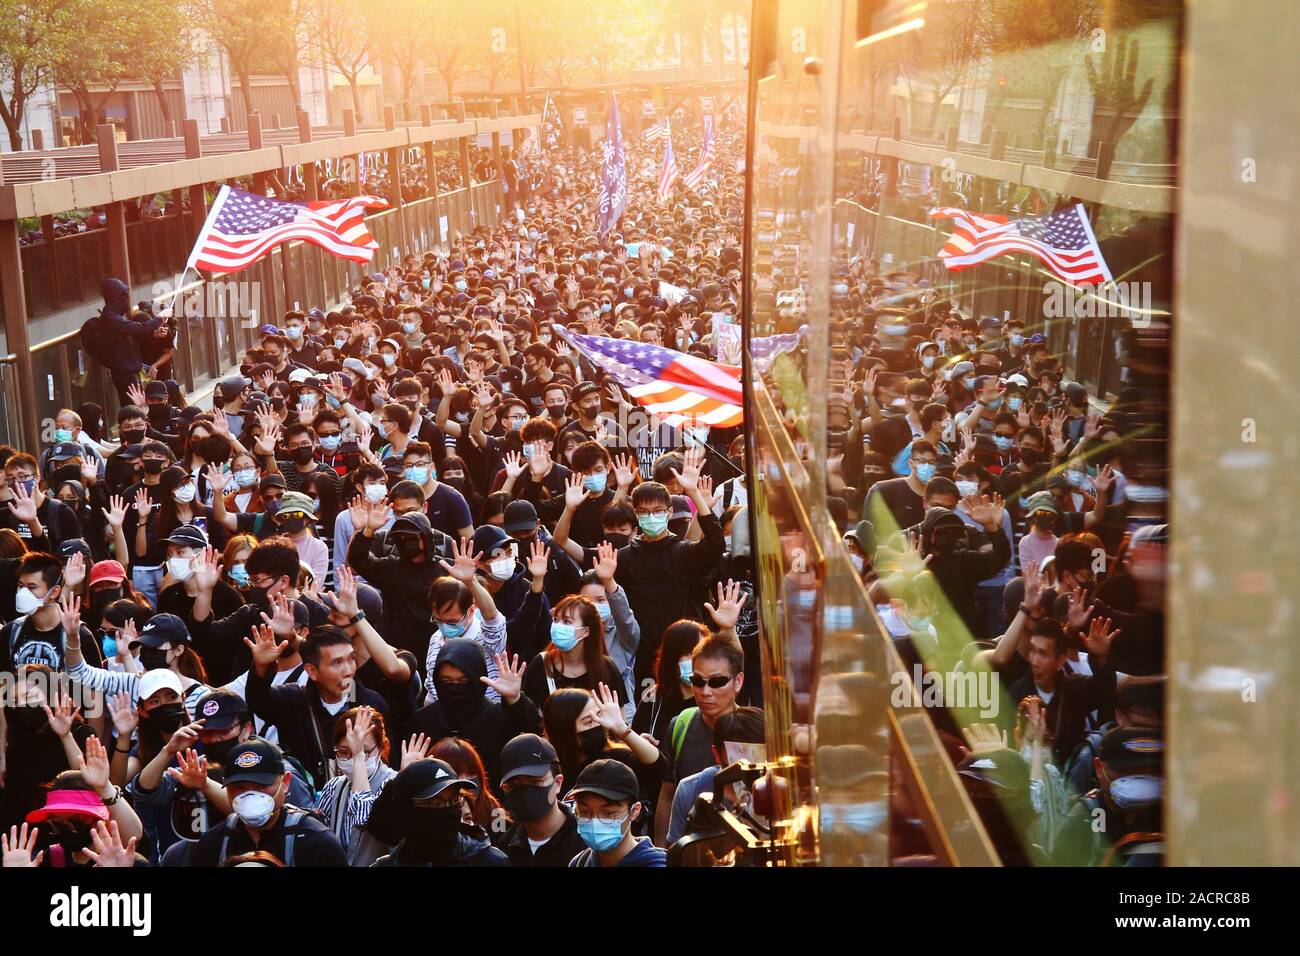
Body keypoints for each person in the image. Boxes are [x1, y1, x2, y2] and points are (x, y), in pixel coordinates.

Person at [243, 617, 392, 792]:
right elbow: (257, 701)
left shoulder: (370, 704)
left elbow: (388, 761)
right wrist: (261, 667)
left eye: (351, 659)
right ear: (312, 671)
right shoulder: (293, 700)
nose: (348, 670)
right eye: (337, 663)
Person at [179, 737, 347, 866]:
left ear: (286, 782)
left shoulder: (316, 842)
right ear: (226, 786)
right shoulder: (214, 844)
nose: (250, 795)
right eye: (239, 786)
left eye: (261, 785)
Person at [365, 757, 508, 867]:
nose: (448, 810)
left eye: (454, 800)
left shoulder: (491, 861)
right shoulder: (388, 865)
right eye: (436, 803)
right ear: (407, 810)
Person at [666, 706, 767, 845]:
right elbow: (679, 851)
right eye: (736, 764)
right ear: (717, 754)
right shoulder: (690, 790)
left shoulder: (784, 793)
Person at [314, 705, 400, 866]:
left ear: (380, 749)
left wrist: (358, 755)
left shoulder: (392, 784)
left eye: (363, 751)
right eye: (344, 752)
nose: (353, 759)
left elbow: (363, 819)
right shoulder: (334, 787)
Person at [496, 733, 585, 867]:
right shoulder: (504, 848)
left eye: (536, 781)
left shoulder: (585, 840)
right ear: (505, 789)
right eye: (515, 785)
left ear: (558, 783)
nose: (526, 792)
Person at [567, 758, 666, 868]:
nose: (595, 822)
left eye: (608, 814)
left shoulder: (657, 863)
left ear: (634, 811)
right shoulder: (580, 862)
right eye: (585, 812)